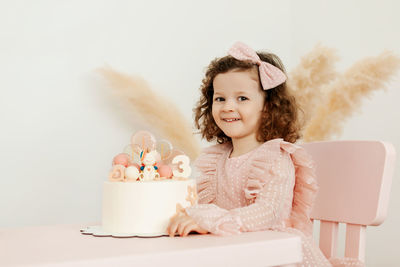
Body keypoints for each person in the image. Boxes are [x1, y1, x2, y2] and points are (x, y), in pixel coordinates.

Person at [167, 41, 335, 266]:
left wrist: (210, 221)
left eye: (242, 98)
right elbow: (203, 206)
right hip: (238, 253)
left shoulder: (276, 158)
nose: (227, 106)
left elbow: (268, 213)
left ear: (268, 106)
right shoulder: (215, 160)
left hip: (277, 256)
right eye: (220, 98)